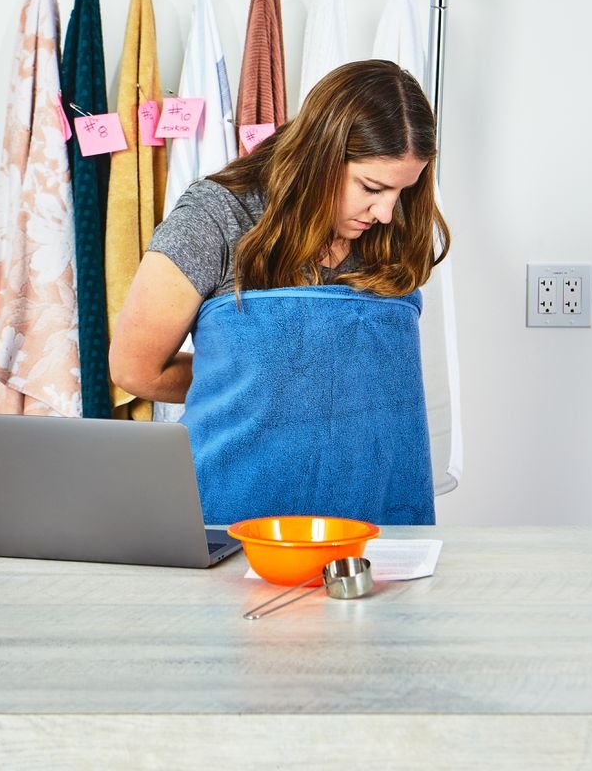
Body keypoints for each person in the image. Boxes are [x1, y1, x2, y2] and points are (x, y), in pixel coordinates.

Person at [110, 59, 450, 525]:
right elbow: (134, 368)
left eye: (402, 192)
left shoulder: (390, 231)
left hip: (374, 524)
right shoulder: (217, 217)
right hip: (233, 523)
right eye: (372, 187)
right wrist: (264, 382)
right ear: (321, 156)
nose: (388, 212)